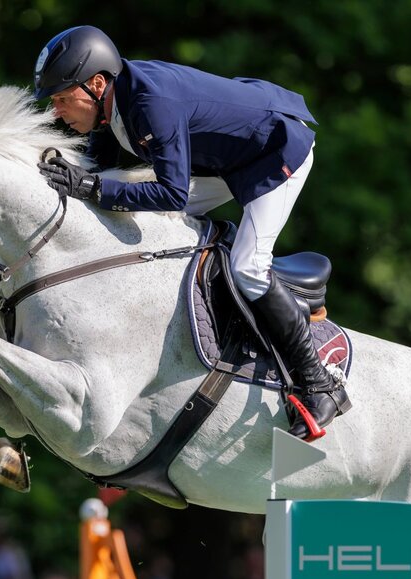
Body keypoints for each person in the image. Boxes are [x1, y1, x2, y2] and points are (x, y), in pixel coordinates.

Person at [33, 26, 351, 439]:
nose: (57, 112)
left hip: (274, 153)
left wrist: (93, 187)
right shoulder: (111, 103)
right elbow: (100, 176)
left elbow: (171, 192)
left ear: (96, 84)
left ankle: (318, 383)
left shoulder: (149, 104)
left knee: (249, 267)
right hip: (226, 160)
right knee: (138, 212)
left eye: (62, 98)